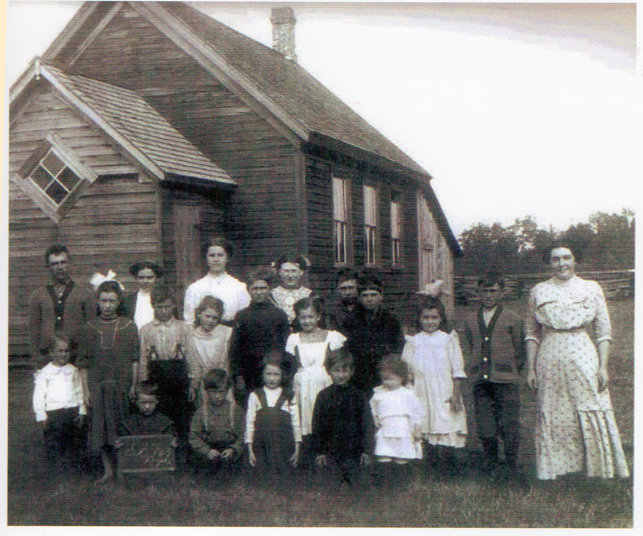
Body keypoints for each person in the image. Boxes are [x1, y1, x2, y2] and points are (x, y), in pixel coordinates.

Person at [525, 240, 629, 481]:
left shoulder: (591, 288)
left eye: (566, 257)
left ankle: (596, 469)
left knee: (591, 404)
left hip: (582, 353)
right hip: (549, 356)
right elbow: (531, 332)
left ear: (575, 259)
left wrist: (603, 366)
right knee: (553, 409)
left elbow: (603, 331)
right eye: (555, 259)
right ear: (549, 262)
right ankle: (557, 470)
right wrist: (530, 368)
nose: (561, 263)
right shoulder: (538, 291)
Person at [461, 271, 525, 476]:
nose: (488, 295)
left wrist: (509, 369)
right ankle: (490, 460)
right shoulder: (470, 320)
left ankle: (512, 462)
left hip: (506, 381)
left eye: (493, 291)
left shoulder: (513, 319)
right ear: (478, 293)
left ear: (502, 293)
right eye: (484, 291)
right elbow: (472, 345)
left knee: (508, 422)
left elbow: (520, 351)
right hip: (481, 380)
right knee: (485, 422)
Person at [76, 280, 139, 484]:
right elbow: (83, 364)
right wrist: (86, 391)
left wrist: (134, 385)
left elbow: (135, 359)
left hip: (121, 385)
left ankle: (123, 468)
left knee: (121, 426)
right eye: (103, 300)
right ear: (97, 301)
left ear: (119, 302)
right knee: (101, 428)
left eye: (112, 301)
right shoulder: (88, 328)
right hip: (98, 386)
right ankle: (107, 470)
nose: (108, 305)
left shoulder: (129, 327)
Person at [403, 296, 467, 476]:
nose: (430, 322)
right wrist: (409, 394)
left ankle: (448, 470)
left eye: (434, 317)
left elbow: (457, 370)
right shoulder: (413, 342)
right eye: (426, 318)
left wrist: (455, 395)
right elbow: (407, 372)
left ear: (441, 319)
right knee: (425, 426)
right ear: (419, 319)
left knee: (446, 425)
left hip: (444, 391)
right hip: (421, 391)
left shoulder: (448, 340)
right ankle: (428, 468)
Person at [287, 296, 346, 464]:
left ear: (319, 316)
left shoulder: (331, 337)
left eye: (311, 316)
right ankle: (306, 458)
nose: (307, 321)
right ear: (297, 318)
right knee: (305, 419)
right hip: (303, 384)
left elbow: (339, 362)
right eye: (303, 317)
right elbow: (291, 365)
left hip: (324, 381)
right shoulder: (294, 339)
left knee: (325, 417)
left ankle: (329, 455)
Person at [229, 267, 291, 408]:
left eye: (263, 288)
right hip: (249, 374)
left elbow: (286, 347)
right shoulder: (242, 316)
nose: (259, 292)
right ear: (249, 290)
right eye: (254, 288)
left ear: (269, 289)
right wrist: (238, 377)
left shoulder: (279, 315)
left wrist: (284, 374)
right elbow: (235, 349)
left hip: (273, 373)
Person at [138, 284, 191, 447]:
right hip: (156, 381)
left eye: (167, 307)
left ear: (174, 306)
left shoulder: (183, 328)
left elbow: (191, 357)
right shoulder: (146, 330)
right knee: (159, 418)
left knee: (181, 418)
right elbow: (142, 359)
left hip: (179, 381)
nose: (163, 311)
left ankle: (181, 455)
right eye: (159, 307)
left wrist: (193, 383)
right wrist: (143, 383)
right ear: (153, 306)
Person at [312, 348, 374, 485]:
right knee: (331, 489)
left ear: (352, 372)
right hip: (331, 451)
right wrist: (320, 451)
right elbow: (317, 426)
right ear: (329, 372)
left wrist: (367, 451)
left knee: (357, 488)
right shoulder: (323, 396)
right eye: (337, 371)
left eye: (345, 371)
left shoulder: (359, 396)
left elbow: (367, 424)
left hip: (354, 451)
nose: (341, 375)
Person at [28, 245, 95, 372]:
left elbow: (91, 328)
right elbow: (34, 329)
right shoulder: (37, 295)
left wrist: (86, 357)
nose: (60, 267)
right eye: (54, 264)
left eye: (63, 262)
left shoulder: (85, 293)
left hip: (76, 358)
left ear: (70, 263)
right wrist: (35, 359)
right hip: (46, 358)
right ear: (48, 267)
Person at [32, 331, 87, 469]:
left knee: (75, 443)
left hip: (72, 411)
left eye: (67, 351)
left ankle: (75, 471)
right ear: (51, 352)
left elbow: (80, 391)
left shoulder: (74, 370)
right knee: (54, 444)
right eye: (60, 351)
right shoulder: (44, 373)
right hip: (54, 414)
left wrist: (82, 411)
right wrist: (41, 415)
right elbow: (38, 396)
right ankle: (55, 472)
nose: (63, 354)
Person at [245, 351, 301, 478]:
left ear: (283, 375)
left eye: (276, 374)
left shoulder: (289, 395)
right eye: (268, 374)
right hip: (261, 444)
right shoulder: (255, 396)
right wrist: (249, 448)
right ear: (262, 374)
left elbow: (295, 423)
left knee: (283, 477)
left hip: (283, 445)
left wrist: (297, 448)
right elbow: (249, 423)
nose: (272, 378)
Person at [345, 274, 405, 393]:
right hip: (360, 374)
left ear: (381, 296)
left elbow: (398, 346)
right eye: (365, 295)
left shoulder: (391, 319)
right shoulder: (351, 320)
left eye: (373, 295)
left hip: (384, 372)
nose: (369, 299)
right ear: (359, 298)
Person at [370, 356, 425, 485]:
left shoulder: (408, 394)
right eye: (384, 379)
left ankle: (401, 482)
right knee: (384, 454)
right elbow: (373, 407)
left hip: (402, 428)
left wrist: (417, 430)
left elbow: (417, 413)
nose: (386, 382)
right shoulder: (379, 394)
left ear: (401, 378)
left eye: (390, 379)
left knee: (401, 456)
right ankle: (385, 482)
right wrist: (375, 417)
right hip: (386, 428)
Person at [188, 369, 244, 476]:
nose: (218, 396)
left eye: (221, 392)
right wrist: (206, 450)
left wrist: (233, 449)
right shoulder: (201, 412)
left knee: (232, 472)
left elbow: (243, 435)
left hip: (229, 450)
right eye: (213, 392)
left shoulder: (236, 410)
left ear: (227, 390)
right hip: (210, 450)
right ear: (206, 391)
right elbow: (193, 437)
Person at [183, 237, 251, 325]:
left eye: (220, 255)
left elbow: (245, 319)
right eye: (212, 255)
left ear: (227, 258)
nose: (216, 260)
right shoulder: (194, 288)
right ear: (206, 258)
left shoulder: (239, 287)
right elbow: (189, 320)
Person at [185, 296, 233, 404]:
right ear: (199, 314)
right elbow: (193, 365)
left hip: (224, 384)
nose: (211, 321)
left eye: (215, 318)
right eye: (207, 316)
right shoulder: (192, 336)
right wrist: (193, 386)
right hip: (205, 386)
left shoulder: (227, 333)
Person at [270, 254, 312, 327]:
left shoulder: (309, 294)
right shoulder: (272, 295)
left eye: (294, 271)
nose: (290, 276)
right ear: (280, 272)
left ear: (301, 272)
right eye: (286, 271)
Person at [122, 261, 163, 331]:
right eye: (141, 278)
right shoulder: (128, 300)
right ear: (136, 278)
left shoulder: (163, 299)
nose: (145, 281)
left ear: (156, 278)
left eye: (150, 278)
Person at [324, 268, 360, 335]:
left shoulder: (365, 308)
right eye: (343, 289)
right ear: (337, 289)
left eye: (351, 288)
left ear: (357, 288)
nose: (347, 293)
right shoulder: (332, 312)